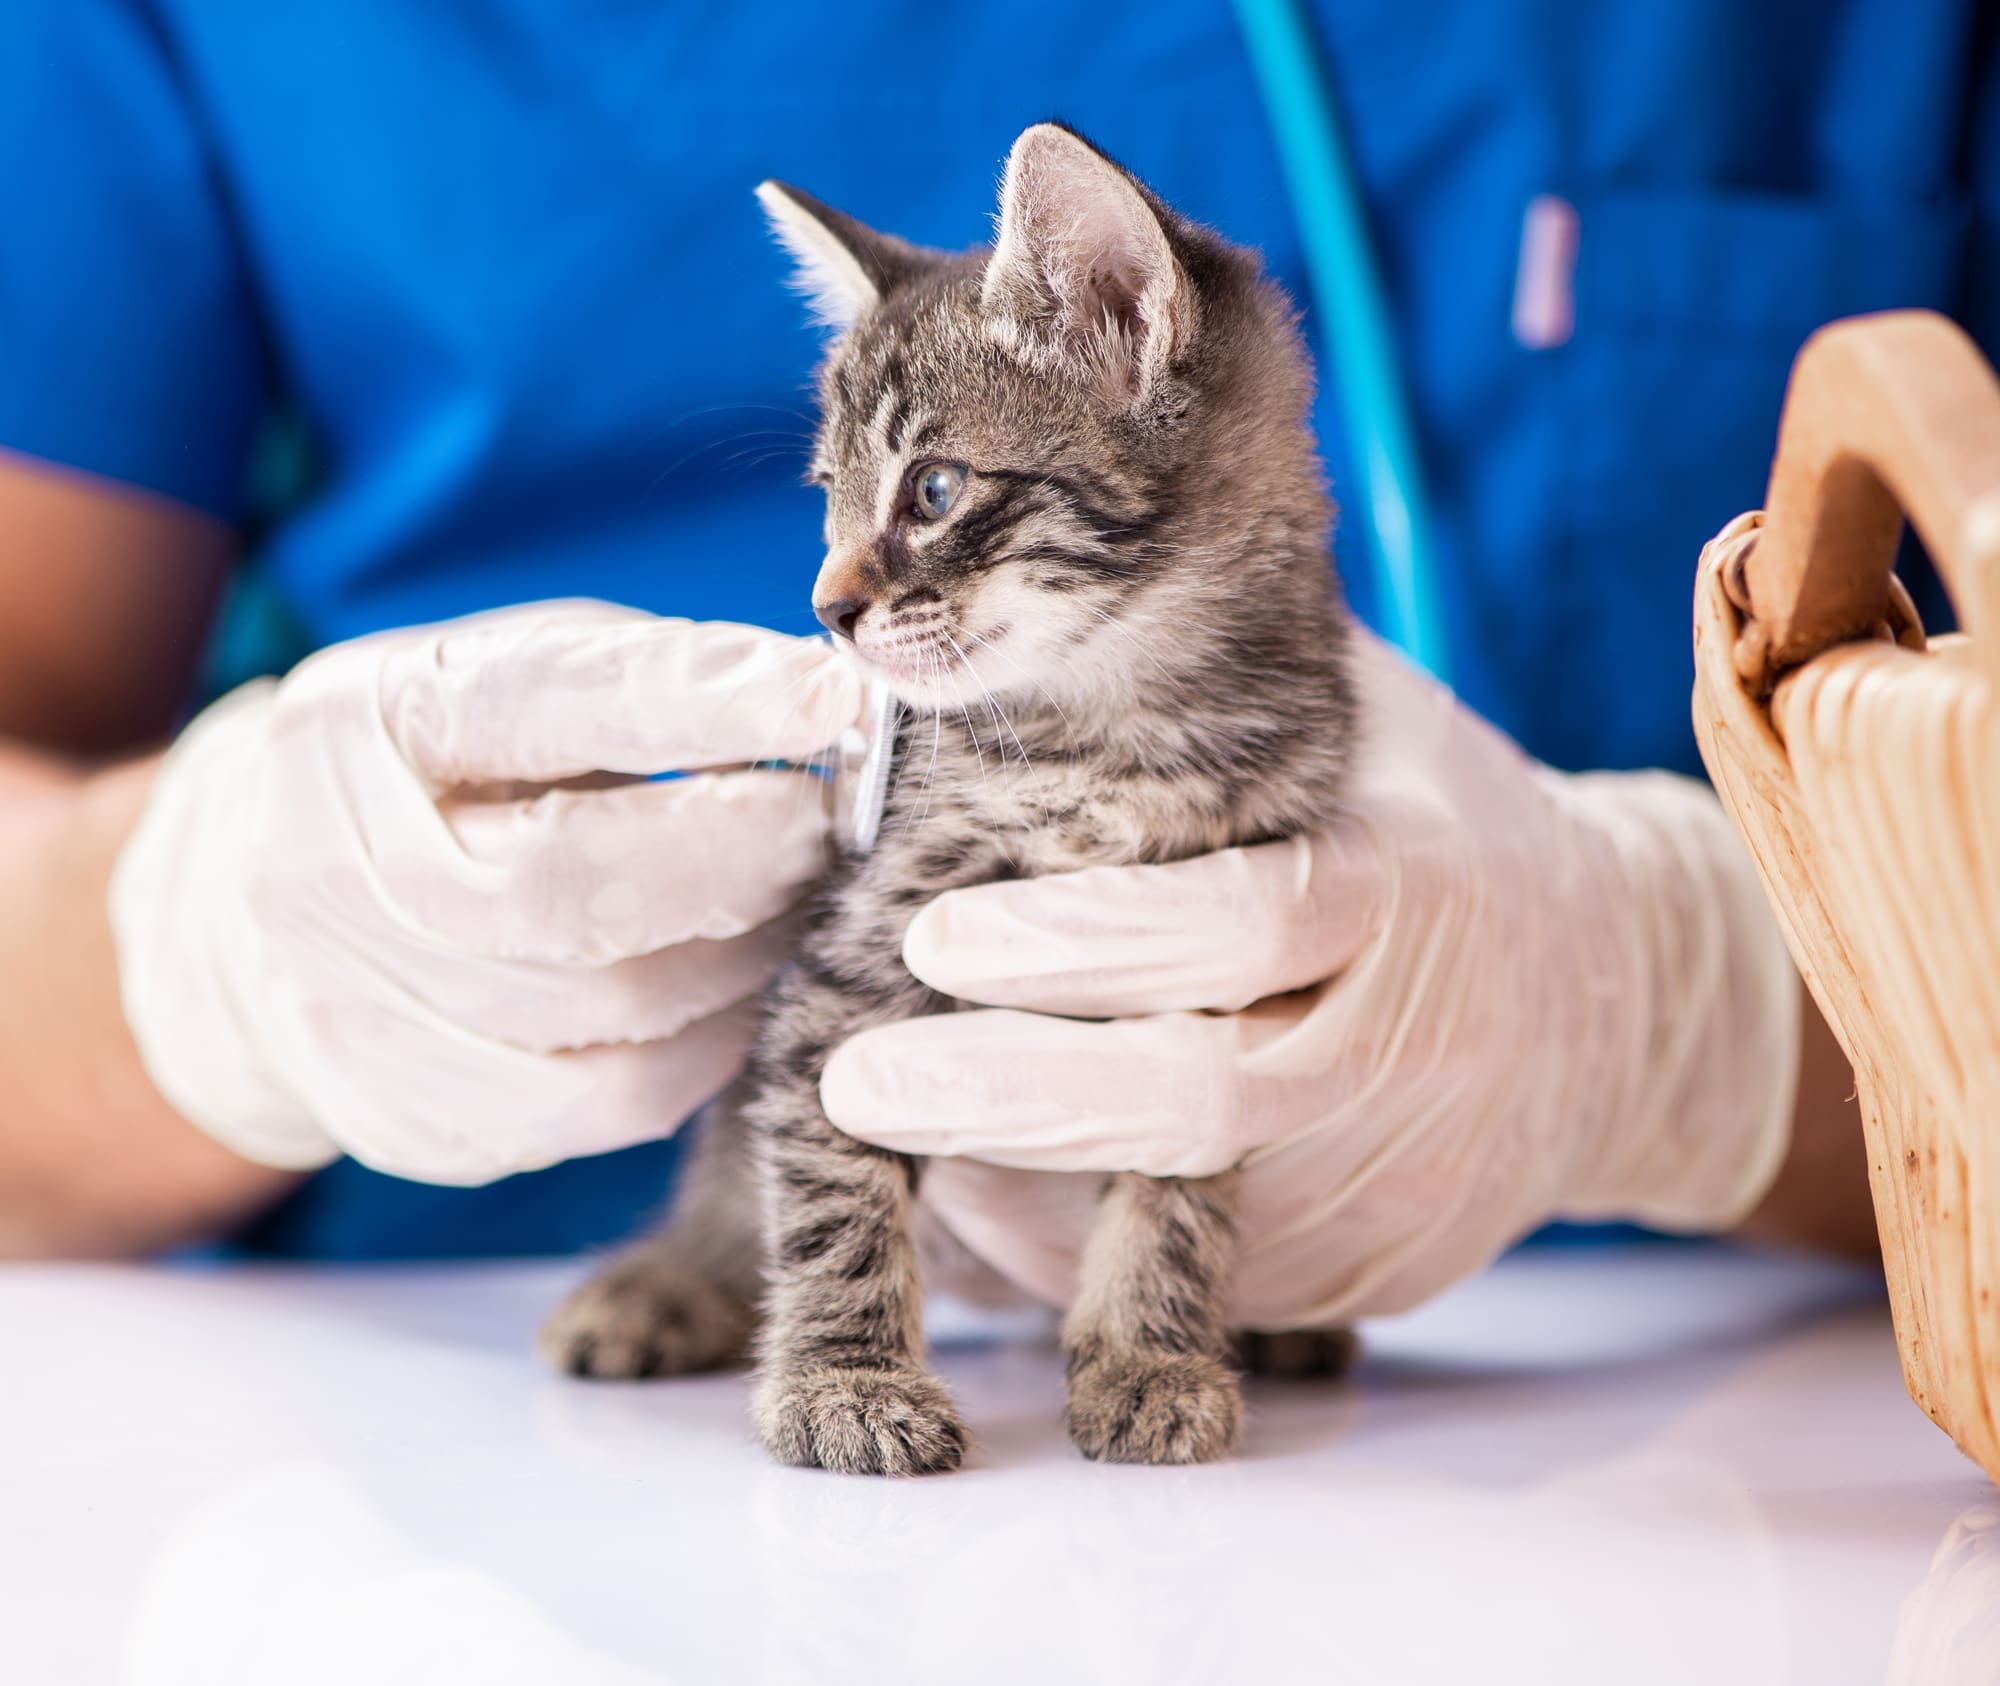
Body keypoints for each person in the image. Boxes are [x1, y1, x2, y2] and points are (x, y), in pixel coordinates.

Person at [3, 1, 1987, 1298]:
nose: (838, 597)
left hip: (1727, 1434)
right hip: (436, 1439)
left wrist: (1689, 1012)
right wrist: (184, 952)